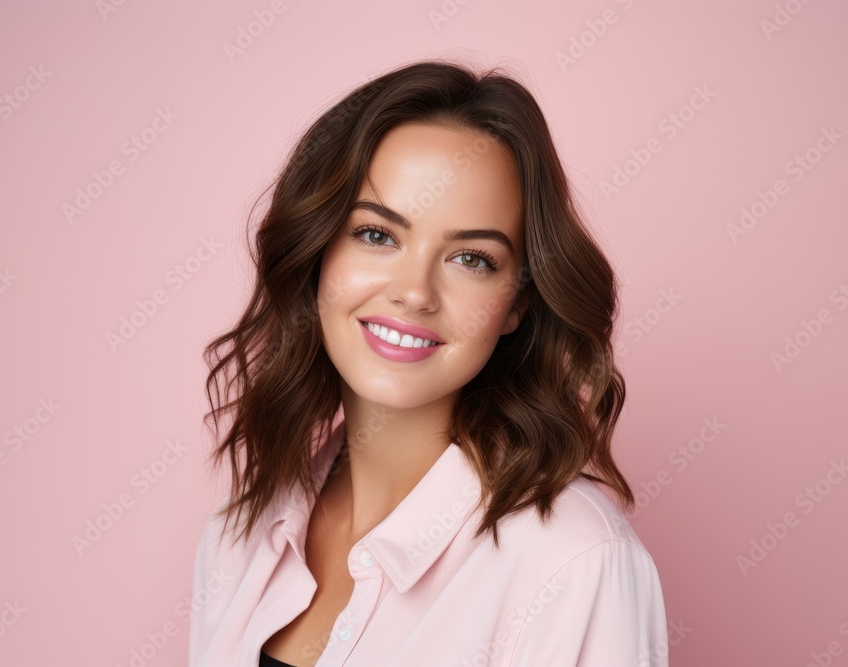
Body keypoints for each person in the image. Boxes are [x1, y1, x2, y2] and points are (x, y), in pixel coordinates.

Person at [189, 59, 669, 667]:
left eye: (471, 258)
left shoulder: (573, 561)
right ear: (318, 255)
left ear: (516, 302)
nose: (415, 291)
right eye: (378, 235)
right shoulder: (243, 529)